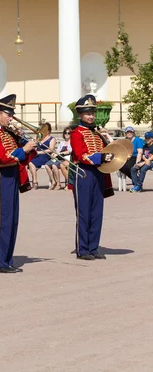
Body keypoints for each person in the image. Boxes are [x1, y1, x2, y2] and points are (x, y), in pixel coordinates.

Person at [0, 94, 37, 273]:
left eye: (11, 114)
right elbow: (4, 158)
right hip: (0, 178)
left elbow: (24, 157)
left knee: (12, 220)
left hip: (12, 177)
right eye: (8, 114)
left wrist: (27, 142)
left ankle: (7, 259)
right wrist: (23, 149)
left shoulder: (8, 133)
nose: (11, 117)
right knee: (3, 219)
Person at [70, 95, 115, 261]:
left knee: (97, 212)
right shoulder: (76, 133)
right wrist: (101, 158)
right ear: (80, 115)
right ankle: (82, 249)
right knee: (84, 212)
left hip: (98, 174)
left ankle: (93, 247)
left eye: (92, 114)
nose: (91, 116)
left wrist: (107, 139)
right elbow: (81, 155)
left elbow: (109, 150)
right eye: (87, 114)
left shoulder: (97, 132)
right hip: (83, 174)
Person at [27, 122, 55, 189]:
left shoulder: (52, 139)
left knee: (31, 163)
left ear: (49, 130)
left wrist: (39, 152)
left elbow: (51, 150)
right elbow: (34, 146)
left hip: (46, 155)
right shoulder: (40, 137)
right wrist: (33, 141)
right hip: (38, 155)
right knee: (29, 163)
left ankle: (35, 182)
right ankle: (34, 181)